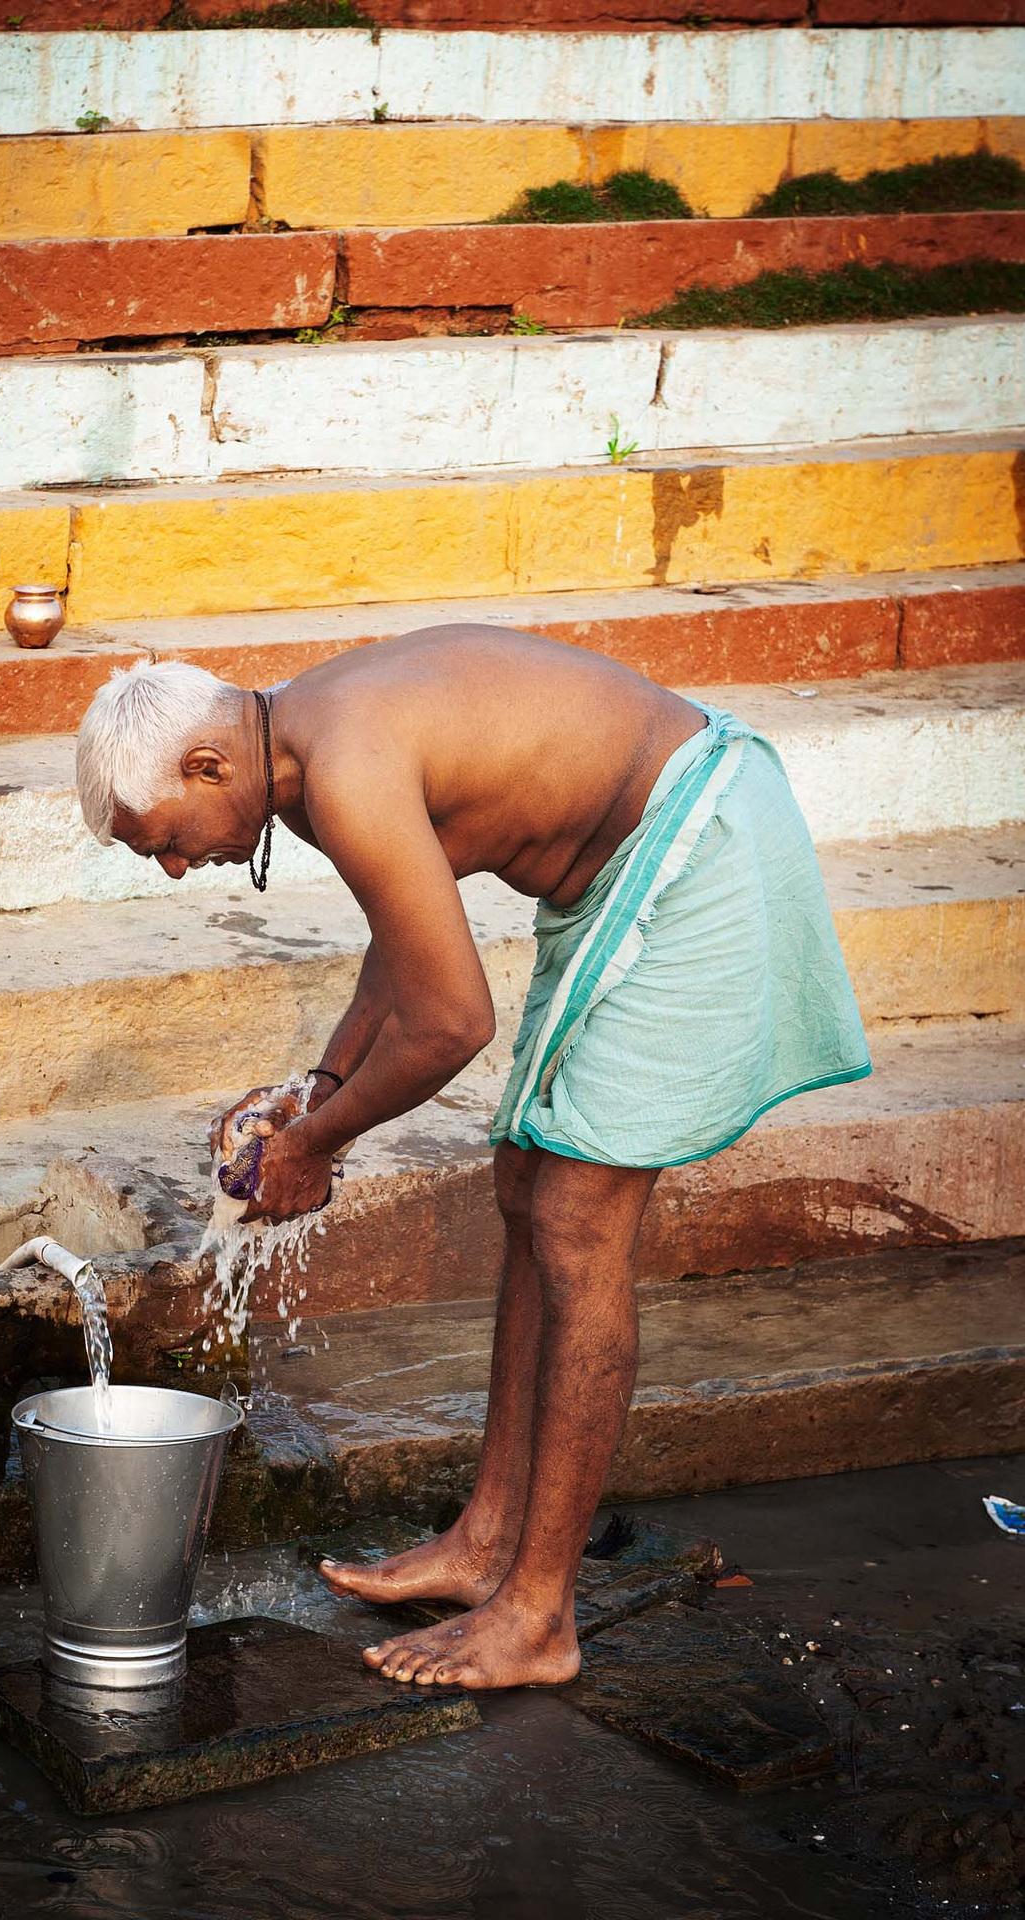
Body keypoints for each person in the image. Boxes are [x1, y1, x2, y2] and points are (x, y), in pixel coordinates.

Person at [75, 624, 870, 1690]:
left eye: (163, 841)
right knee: (526, 1185)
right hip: (625, 869)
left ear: (207, 766)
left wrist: (314, 1147)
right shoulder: (301, 750)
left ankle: (539, 1618)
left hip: (697, 843)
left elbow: (453, 1021)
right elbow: (405, 946)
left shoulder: (344, 765)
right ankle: (488, 1544)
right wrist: (319, 1087)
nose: (177, 867)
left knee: (577, 1220)